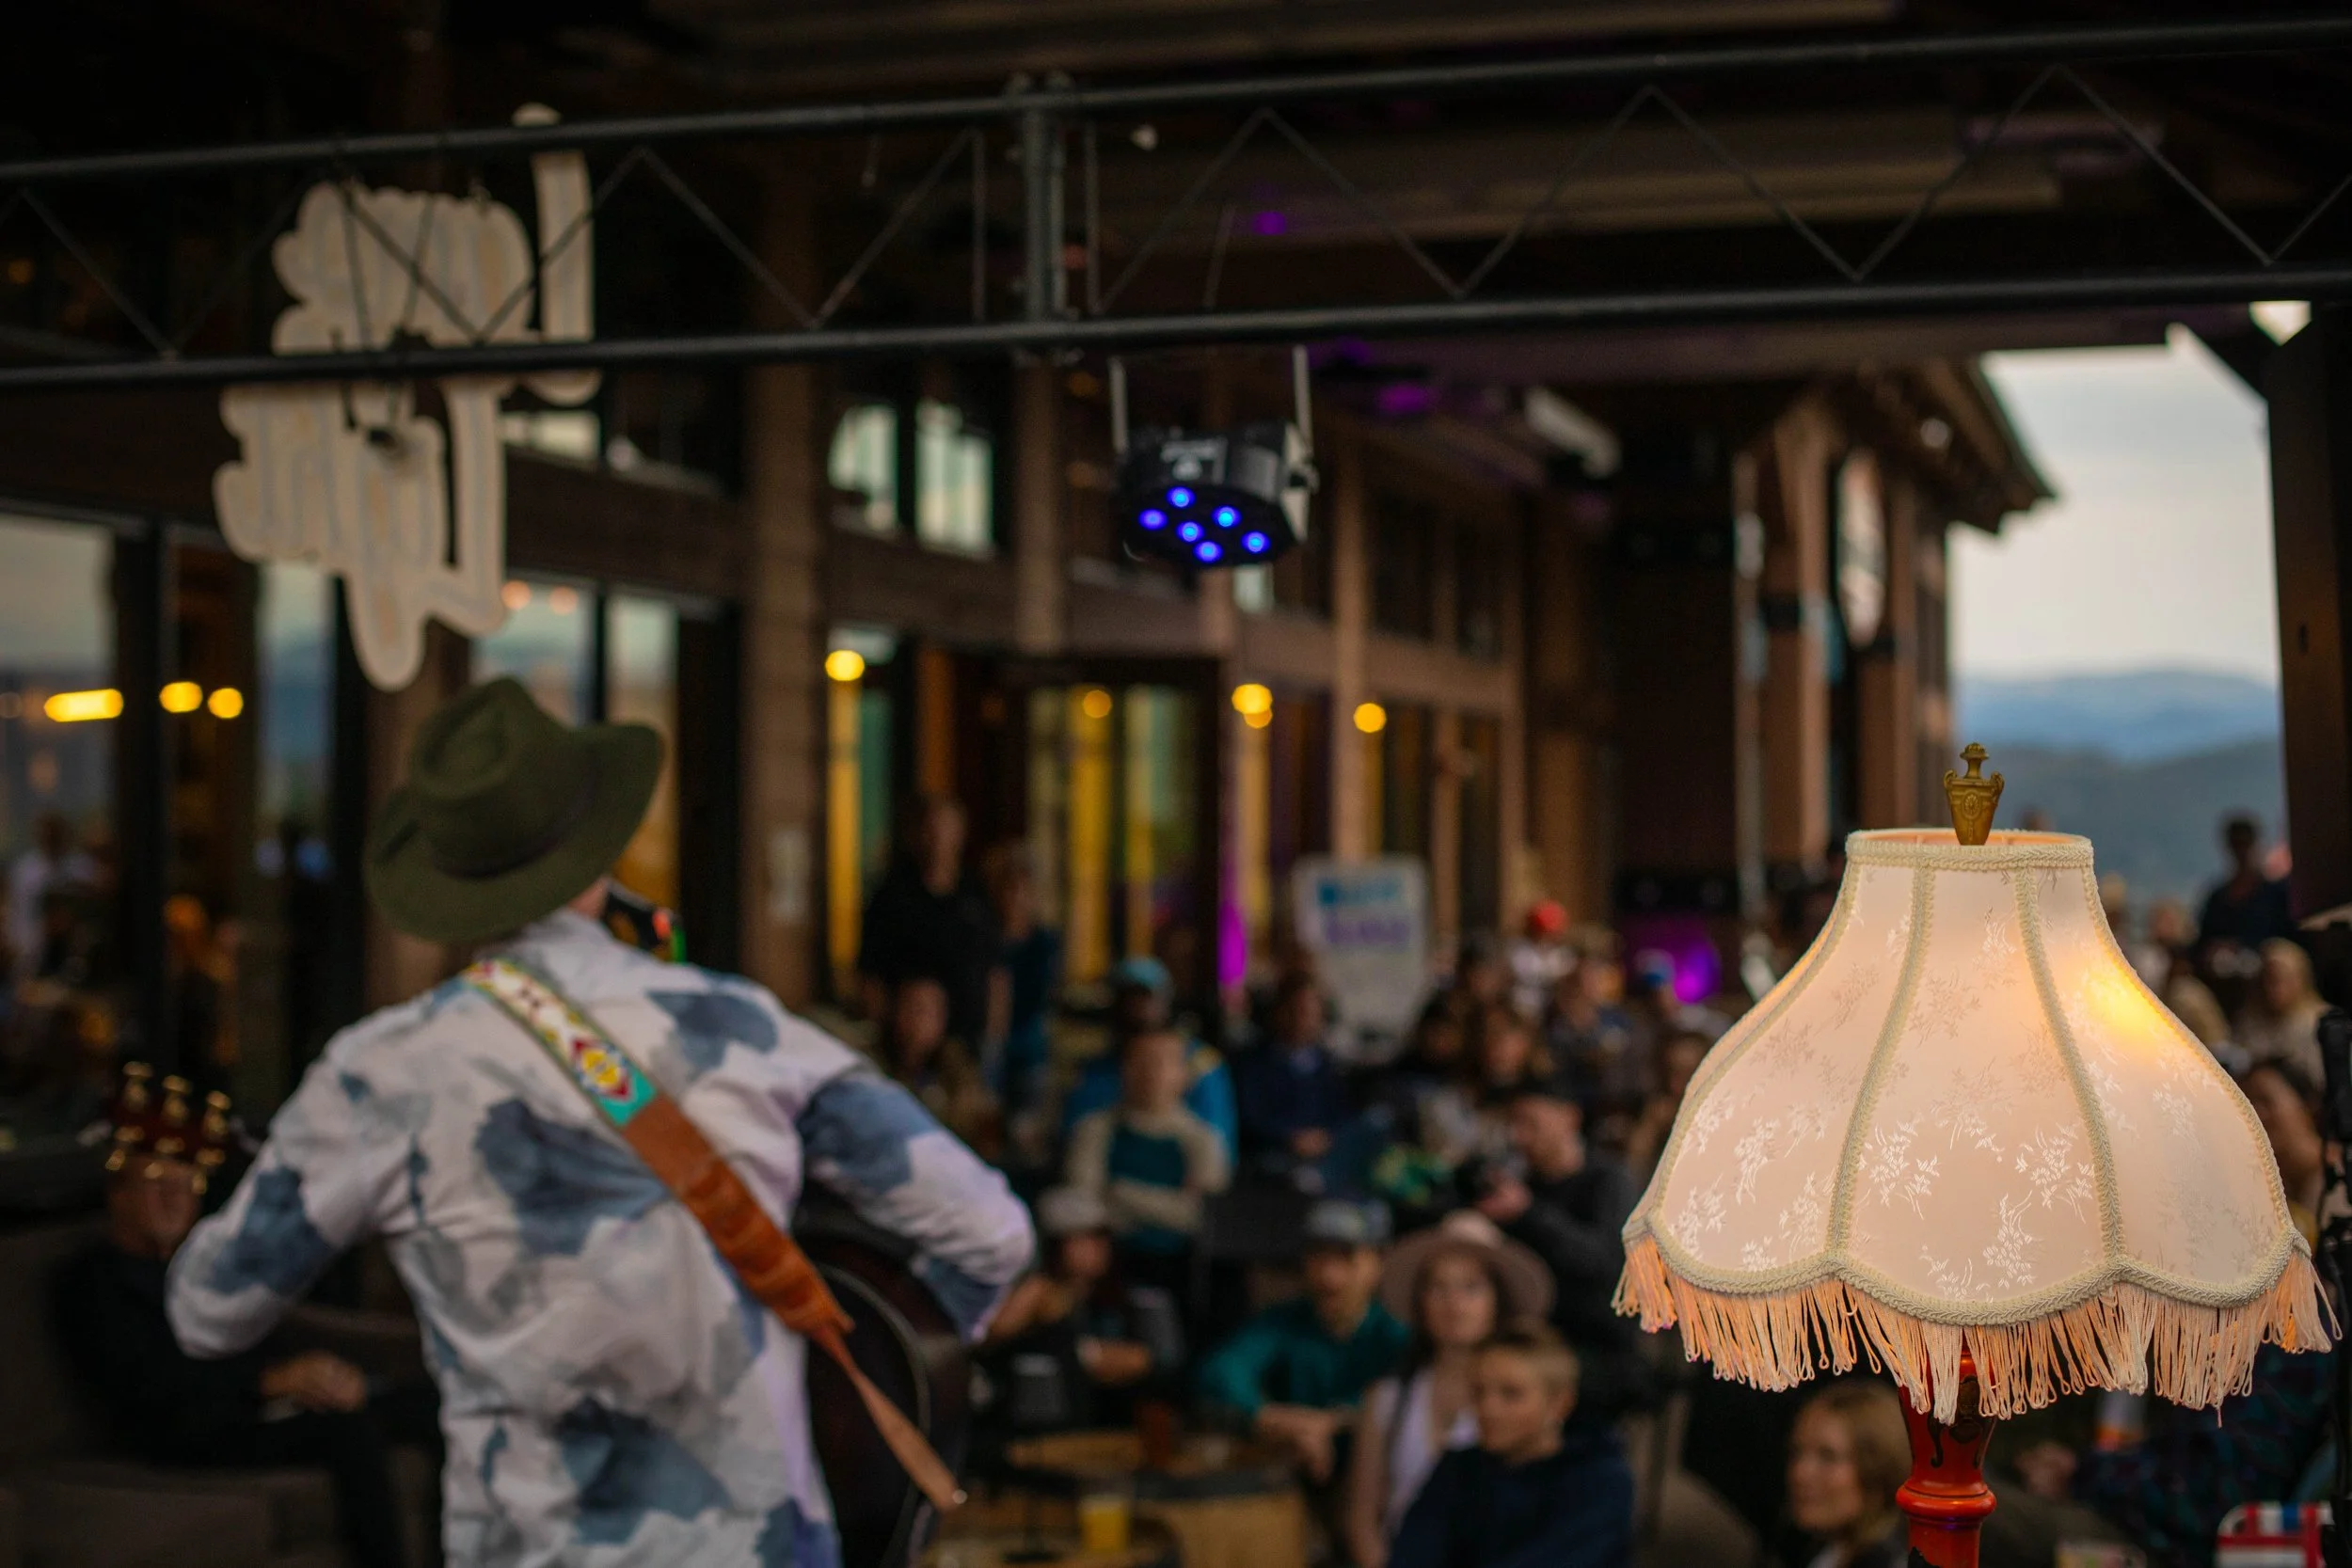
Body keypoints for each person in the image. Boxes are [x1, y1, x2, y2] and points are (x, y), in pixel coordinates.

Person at [165, 678, 1035, 1564]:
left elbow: (207, 1309)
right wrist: (876, 1367)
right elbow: (992, 1231)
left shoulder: (379, 1073)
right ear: (597, 861)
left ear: (448, 885)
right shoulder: (744, 1029)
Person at [57, 1118, 439, 1568]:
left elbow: (265, 1338)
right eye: (158, 1184)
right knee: (348, 1431)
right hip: (192, 1427)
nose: (175, 1199)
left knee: (431, 1403)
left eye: (186, 1185)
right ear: (119, 1196)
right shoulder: (96, 1281)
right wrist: (266, 1381)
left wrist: (328, 1376)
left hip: (260, 1405)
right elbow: (151, 1384)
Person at [1344, 1212, 1553, 1568]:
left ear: (1497, 1300)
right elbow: (1362, 1516)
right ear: (1421, 1301)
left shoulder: (1528, 1400)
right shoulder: (1387, 1397)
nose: (1454, 1303)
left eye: (1471, 1287)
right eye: (1438, 1288)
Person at [1197, 1199, 1409, 1483]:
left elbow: (1409, 1394)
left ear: (1377, 1264)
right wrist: (1278, 1420)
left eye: (1346, 1258)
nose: (1329, 1275)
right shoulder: (1283, 1321)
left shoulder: (1394, 1337)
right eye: (1318, 1256)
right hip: (1287, 1476)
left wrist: (1331, 1423)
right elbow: (1220, 1371)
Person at [1388, 1325, 1633, 1568]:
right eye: (1479, 1392)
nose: (1489, 1408)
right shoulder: (1458, 1470)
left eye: (1511, 1394)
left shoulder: (1599, 1481)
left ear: (1560, 1403)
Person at [1474, 1070, 1645, 1420]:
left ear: (1569, 1118)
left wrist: (1528, 1213)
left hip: (1596, 1356)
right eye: (1514, 1124)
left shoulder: (1609, 1180)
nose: (1520, 1136)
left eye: (1531, 1123)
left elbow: (1606, 1263)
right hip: (1528, 1348)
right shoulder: (1520, 1185)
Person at [978, 1187, 1184, 1439]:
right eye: (1089, 1237)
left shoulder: (1102, 1296)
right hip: (1035, 1435)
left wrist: (1090, 1355)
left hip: (1085, 1429)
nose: (1101, 1247)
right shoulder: (1037, 1291)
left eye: (1105, 1237)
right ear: (1057, 1244)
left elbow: (1143, 1360)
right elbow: (987, 1337)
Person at [1064, 1026, 1231, 1290]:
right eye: (1139, 1061)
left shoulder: (1203, 1141)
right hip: (1107, 1265)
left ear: (1183, 1074)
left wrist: (1120, 1193)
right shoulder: (1094, 1129)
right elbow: (1082, 1200)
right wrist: (1165, 1207)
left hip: (1180, 1267)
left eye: (1163, 1062)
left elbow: (1201, 1214)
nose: (1151, 1072)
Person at [1060, 955, 1239, 1161]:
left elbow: (1219, 1144)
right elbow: (1073, 1132)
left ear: (1165, 1001)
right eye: (1126, 998)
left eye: (1145, 997)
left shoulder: (1200, 1063)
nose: (1135, 1008)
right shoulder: (1098, 1067)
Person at [857, 792, 1001, 1047]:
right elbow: (870, 972)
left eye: (945, 829)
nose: (937, 838)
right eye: (930, 829)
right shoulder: (893, 895)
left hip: (967, 1037)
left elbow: (995, 969)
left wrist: (994, 1035)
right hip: (907, 1042)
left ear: (959, 833)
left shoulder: (976, 895)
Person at [1232, 971, 1351, 1172]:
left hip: (1325, 1158)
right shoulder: (1251, 1065)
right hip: (1269, 1160)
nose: (1301, 1020)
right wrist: (1289, 1138)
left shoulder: (1329, 1067)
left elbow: (1341, 1114)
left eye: (1310, 1013)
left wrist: (1325, 1137)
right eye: (1295, 1011)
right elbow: (1249, 1118)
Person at [1786, 1381, 1912, 1568]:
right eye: (1797, 1452)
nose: (1800, 1473)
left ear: (1878, 1469)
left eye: (1827, 1456)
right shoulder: (1825, 1553)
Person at [876, 972, 1000, 1157]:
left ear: (942, 1018)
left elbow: (973, 1120)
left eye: (924, 1011)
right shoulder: (875, 1062)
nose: (916, 1021)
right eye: (909, 1008)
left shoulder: (955, 1063)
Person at [987, 846, 1061, 1118]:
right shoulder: (983, 938)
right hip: (990, 1038)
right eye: (1011, 889)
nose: (1017, 898)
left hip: (1028, 1037)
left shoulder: (1045, 942)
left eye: (1025, 890)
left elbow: (1042, 995)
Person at [2197, 815, 2297, 973]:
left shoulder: (2276, 895)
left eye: (2245, 843)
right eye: (2237, 844)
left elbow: (2288, 939)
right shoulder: (2217, 900)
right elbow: (2203, 944)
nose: (2242, 851)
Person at [2242, 1057, 2327, 1245]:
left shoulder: (2342, 1176)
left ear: (2306, 1106)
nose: (2256, 1115)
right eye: (2249, 1106)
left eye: (2265, 1101)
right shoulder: (2271, 1199)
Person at [8, 812, 95, 985]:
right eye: (47, 835)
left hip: (75, 954)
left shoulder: (82, 869)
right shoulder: (25, 872)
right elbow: (19, 917)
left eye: (55, 834)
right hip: (35, 956)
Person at [1621, 1028, 1709, 1180]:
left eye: (1688, 1075)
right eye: (1671, 1072)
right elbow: (1632, 1172)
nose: (1674, 1085)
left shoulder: (1723, 1116)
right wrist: (1651, 1126)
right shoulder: (1657, 1110)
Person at [2236, 938, 2326, 1083]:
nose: (2272, 988)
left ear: (2301, 979)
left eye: (2281, 979)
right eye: (2267, 979)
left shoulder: (2322, 1022)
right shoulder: (2249, 1019)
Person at [1507, 902, 1570, 1021]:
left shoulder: (1562, 955)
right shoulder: (1519, 951)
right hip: (1523, 1012)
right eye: (1544, 931)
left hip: (1553, 1014)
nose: (1548, 937)